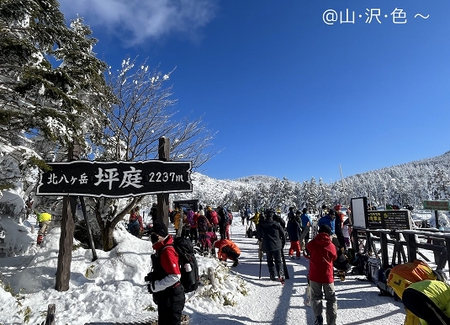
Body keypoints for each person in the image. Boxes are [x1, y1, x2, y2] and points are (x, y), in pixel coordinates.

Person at [146, 222, 185, 325]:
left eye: (154, 235)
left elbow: (175, 275)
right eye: (151, 235)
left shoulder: (167, 251)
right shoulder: (161, 249)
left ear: (161, 235)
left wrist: (156, 286)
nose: (152, 237)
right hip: (167, 296)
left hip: (172, 297)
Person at [306, 225, 338, 325]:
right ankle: (331, 322)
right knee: (331, 299)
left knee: (316, 297)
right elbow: (334, 257)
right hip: (327, 276)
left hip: (314, 275)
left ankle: (318, 318)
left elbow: (306, 251)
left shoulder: (312, 243)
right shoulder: (331, 245)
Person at [257, 208, 286, 282]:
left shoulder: (262, 225)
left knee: (269, 261)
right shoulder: (276, 224)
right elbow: (283, 235)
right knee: (278, 261)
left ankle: (272, 274)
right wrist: (282, 244)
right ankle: (280, 275)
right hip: (277, 245)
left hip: (267, 245)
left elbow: (259, 236)